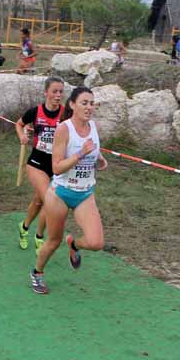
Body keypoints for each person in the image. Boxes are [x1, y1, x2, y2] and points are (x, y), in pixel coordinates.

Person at [29, 86, 107, 295]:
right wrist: (81, 154)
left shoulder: (93, 126)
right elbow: (56, 167)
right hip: (60, 193)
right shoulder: (64, 128)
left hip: (85, 193)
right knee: (53, 241)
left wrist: (99, 159)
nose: (89, 107)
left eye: (92, 103)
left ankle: (74, 245)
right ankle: (37, 272)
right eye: (84, 103)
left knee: (96, 242)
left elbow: (93, 150)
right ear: (72, 105)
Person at [15, 77, 66, 253]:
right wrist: (22, 135)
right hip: (37, 162)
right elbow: (19, 124)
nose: (58, 95)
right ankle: (39, 237)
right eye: (54, 91)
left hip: (57, 164)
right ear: (46, 92)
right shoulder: (35, 112)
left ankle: (24, 226)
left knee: (38, 201)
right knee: (49, 199)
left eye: (61, 92)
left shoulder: (66, 114)